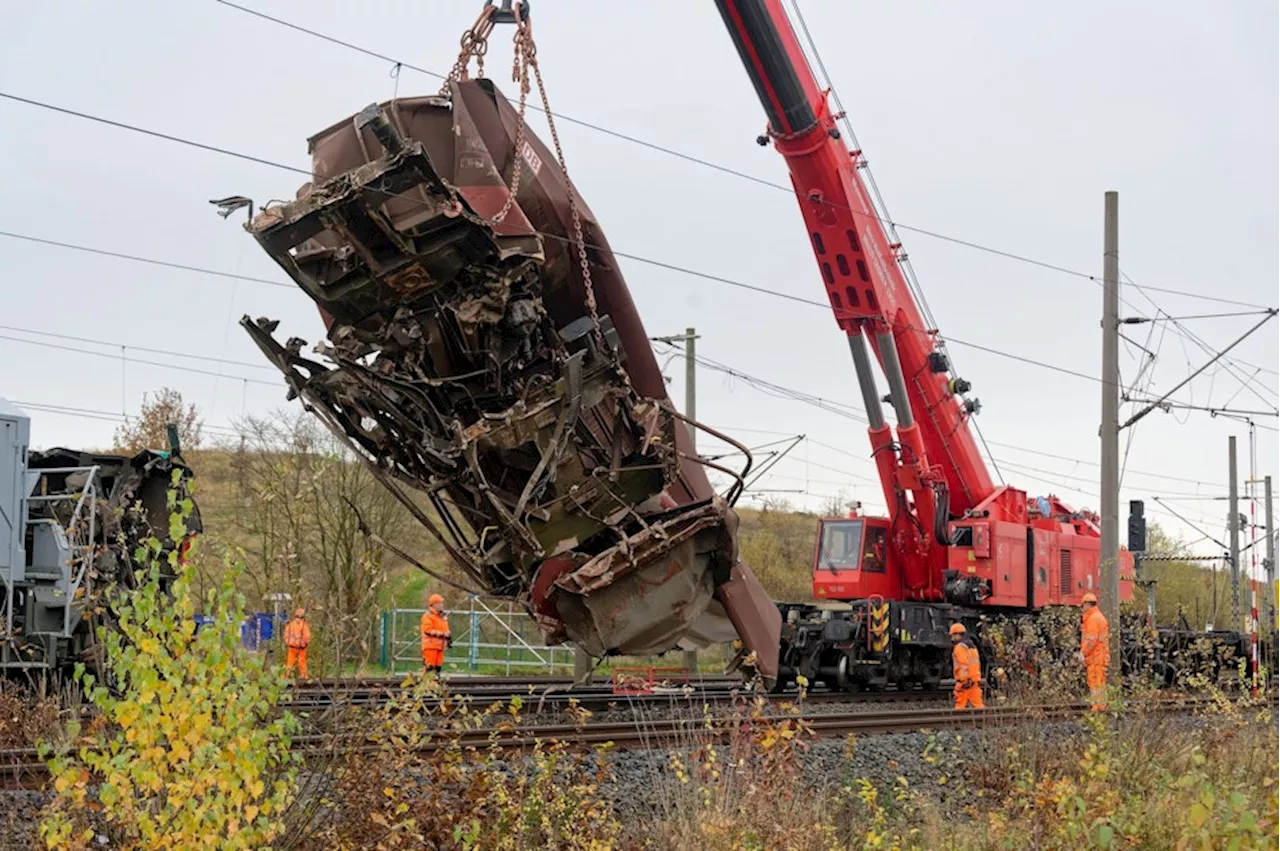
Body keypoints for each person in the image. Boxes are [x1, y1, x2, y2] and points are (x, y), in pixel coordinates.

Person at [1079, 591, 1110, 711]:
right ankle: (1100, 705)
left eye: (1083, 605)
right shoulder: (1099, 617)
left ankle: (1098, 707)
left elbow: (1091, 640)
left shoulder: (1092, 619)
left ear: (1087, 604)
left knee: (1095, 682)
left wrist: (1083, 652)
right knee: (1100, 682)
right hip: (1100, 656)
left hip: (1095, 657)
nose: (1082, 608)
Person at [950, 622, 984, 709]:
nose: (952, 638)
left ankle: (958, 721)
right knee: (978, 705)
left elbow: (963, 665)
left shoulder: (959, 648)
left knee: (960, 705)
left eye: (953, 635)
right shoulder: (972, 647)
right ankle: (984, 720)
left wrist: (963, 681)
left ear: (958, 635)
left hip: (965, 682)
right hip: (974, 680)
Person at [420, 593, 452, 674]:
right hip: (430, 647)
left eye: (442, 603)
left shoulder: (443, 617)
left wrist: (448, 639)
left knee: (437, 669)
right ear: (434, 604)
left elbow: (446, 630)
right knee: (429, 668)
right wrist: (443, 634)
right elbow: (427, 630)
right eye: (439, 603)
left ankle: (434, 685)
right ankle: (426, 685)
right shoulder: (428, 616)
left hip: (440, 648)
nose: (442, 605)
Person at [283, 607, 312, 680]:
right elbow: (307, 637)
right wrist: (305, 644)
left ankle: (285, 677)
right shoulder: (304, 625)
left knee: (289, 663)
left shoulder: (290, 625)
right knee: (302, 662)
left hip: (291, 647)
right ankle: (304, 677)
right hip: (301, 648)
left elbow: (286, 636)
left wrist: (288, 643)